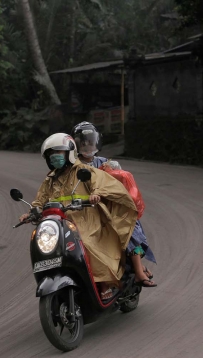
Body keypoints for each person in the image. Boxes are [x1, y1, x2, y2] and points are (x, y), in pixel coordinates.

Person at [19, 133, 140, 301]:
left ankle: (104, 283)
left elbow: (100, 182)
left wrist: (96, 194)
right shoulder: (50, 179)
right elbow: (40, 199)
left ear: (68, 152)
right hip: (60, 223)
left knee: (87, 244)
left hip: (86, 220)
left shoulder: (84, 171)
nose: (54, 156)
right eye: (51, 154)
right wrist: (31, 212)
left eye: (58, 152)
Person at [71, 121, 157, 287]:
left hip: (110, 209)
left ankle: (138, 271)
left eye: (90, 141)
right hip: (84, 211)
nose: (87, 145)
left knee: (130, 230)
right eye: (83, 142)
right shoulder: (72, 168)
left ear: (97, 142)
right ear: (75, 145)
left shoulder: (108, 164)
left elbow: (122, 186)